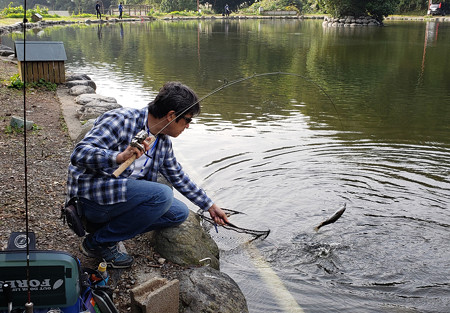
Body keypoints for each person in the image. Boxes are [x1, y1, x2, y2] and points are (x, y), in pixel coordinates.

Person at [66, 82, 229, 268]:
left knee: (178, 213)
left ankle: (107, 232)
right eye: (188, 120)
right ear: (171, 116)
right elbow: (79, 154)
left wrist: (209, 205)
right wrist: (118, 157)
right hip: (92, 199)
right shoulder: (122, 120)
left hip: (119, 198)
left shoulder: (162, 140)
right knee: (162, 195)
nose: (188, 126)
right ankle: (98, 243)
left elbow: (178, 176)